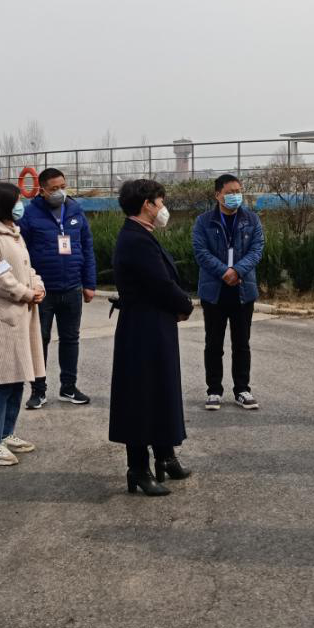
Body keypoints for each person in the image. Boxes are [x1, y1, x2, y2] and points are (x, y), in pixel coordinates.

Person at [109, 179, 195, 496]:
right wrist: (185, 305)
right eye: (160, 202)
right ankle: (138, 469)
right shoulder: (135, 239)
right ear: (147, 204)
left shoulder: (142, 235)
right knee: (141, 396)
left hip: (155, 325)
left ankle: (165, 456)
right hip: (142, 328)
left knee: (161, 390)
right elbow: (159, 283)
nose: (163, 208)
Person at [0, 182, 46, 466]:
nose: (20, 205)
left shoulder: (14, 232)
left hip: (21, 316)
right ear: (3, 203)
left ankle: (5, 433)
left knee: (16, 379)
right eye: (16, 200)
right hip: (0, 319)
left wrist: (38, 286)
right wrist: (26, 293)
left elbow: (27, 268)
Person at [17, 167, 97, 408]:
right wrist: (28, 286)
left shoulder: (75, 210)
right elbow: (21, 253)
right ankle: (38, 391)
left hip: (72, 287)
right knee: (40, 340)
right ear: (42, 190)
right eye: (54, 189)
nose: (60, 192)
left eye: (63, 187)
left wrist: (89, 283)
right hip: (43, 291)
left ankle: (69, 388)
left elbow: (87, 247)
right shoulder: (30, 215)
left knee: (71, 339)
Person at [192, 173, 266, 411]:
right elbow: (201, 252)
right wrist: (224, 272)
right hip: (214, 291)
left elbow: (257, 249)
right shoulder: (204, 221)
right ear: (218, 195)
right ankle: (214, 390)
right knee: (213, 343)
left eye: (238, 191)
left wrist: (238, 271)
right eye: (230, 192)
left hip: (243, 290)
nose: (235, 196)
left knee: (242, 343)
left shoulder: (251, 220)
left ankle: (242, 389)